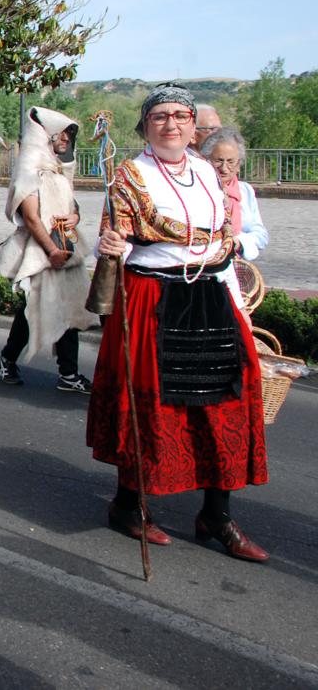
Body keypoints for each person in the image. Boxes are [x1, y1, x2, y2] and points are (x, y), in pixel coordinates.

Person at [89, 86, 268, 562]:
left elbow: (225, 237)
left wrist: (235, 295)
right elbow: (118, 241)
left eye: (180, 116)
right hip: (154, 297)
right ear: (145, 126)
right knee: (151, 408)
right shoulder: (130, 175)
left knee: (225, 402)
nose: (171, 124)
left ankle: (217, 514)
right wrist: (110, 247)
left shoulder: (208, 172)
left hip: (209, 295)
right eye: (160, 117)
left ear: (194, 126)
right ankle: (128, 505)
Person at [0, 107, 99, 392]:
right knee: (34, 309)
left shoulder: (57, 165)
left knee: (71, 307)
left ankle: (68, 373)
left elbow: (71, 203)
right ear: (46, 134)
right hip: (40, 251)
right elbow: (30, 217)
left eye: (69, 133)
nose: (66, 138)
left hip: (66, 248)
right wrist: (51, 250)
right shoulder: (29, 166)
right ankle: (7, 358)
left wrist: (75, 217)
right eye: (61, 132)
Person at [200, 128, 267, 263]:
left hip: (239, 264)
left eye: (230, 161)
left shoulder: (245, 190)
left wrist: (239, 242)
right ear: (205, 161)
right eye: (218, 161)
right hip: (206, 264)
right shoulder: (199, 190)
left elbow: (261, 235)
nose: (224, 168)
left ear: (239, 165)